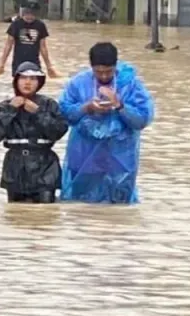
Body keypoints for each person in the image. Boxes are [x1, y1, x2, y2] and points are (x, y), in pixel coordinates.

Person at [59, 42, 155, 204]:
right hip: (84, 153)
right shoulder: (77, 83)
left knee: (119, 203)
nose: (104, 76)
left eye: (108, 72)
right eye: (99, 72)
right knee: (79, 203)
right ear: (91, 67)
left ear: (115, 66)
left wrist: (119, 105)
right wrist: (87, 107)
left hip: (120, 156)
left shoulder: (130, 84)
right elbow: (64, 114)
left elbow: (142, 120)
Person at [0, 61, 69, 203]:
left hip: (44, 165)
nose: (27, 82)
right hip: (14, 166)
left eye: (33, 79)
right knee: (16, 214)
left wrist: (37, 112)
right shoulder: (4, 106)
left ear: (39, 82)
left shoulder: (49, 105)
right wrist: (10, 110)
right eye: (23, 78)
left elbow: (59, 130)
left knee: (46, 212)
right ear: (16, 80)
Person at [0, 0, 59, 78]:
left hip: (34, 62)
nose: (29, 16)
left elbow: (43, 47)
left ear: (37, 14)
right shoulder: (16, 24)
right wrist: (1, 64)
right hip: (18, 63)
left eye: (32, 14)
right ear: (22, 13)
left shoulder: (40, 25)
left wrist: (49, 66)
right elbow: (8, 45)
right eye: (27, 13)